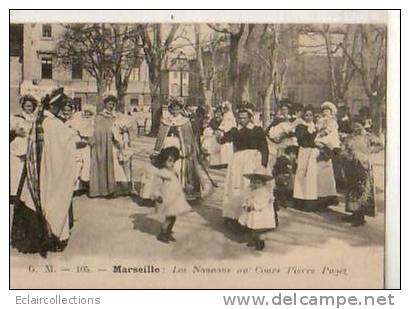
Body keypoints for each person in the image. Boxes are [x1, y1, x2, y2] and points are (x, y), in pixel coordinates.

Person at [11, 88, 81, 257]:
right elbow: (66, 146)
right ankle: (52, 237)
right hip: (49, 170)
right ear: (55, 107)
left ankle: (30, 237)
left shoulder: (40, 120)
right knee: (51, 199)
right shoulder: (55, 124)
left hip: (35, 170)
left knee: (32, 199)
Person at [152, 97, 214, 201]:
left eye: (177, 109)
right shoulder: (165, 121)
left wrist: (185, 150)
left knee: (178, 169)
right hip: (167, 149)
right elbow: (160, 137)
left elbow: (188, 139)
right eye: (173, 109)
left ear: (180, 109)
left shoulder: (185, 122)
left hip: (180, 151)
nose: (175, 111)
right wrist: (158, 149)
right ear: (170, 109)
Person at [219, 103, 269, 222]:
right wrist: (219, 134)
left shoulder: (257, 130)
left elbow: (264, 148)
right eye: (240, 118)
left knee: (249, 186)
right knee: (237, 186)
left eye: (244, 118)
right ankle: (235, 215)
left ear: (250, 117)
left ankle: (252, 218)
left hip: (252, 161)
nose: (242, 120)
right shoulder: (235, 130)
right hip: (238, 163)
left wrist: (263, 165)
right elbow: (223, 139)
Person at [340, 116, 383, 226]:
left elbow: (381, 145)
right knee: (352, 189)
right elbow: (343, 148)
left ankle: (360, 217)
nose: (356, 128)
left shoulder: (368, 137)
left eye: (358, 125)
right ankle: (353, 213)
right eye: (354, 126)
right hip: (351, 165)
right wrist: (346, 154)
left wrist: (370, 152)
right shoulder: (350, 137)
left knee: (362, 189)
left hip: (363, 166)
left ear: (363, 125)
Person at [149, 147, 192, 243]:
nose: (172, 164)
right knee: (169, 217)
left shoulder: (173, 171)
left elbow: (176, 183)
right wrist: (157, 195)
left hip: (175, 198)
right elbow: (156, 185)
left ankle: (168, 232)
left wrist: (184, 189)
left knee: (173, 217)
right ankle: (162, 233)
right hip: (166, 198)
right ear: (164, 161)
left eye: (173, 161)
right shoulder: (162, 173)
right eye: (169, 161)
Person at [89, 95, 128, 198]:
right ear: (105, 104)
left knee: (114, 166)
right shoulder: (99, 116)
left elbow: (121, 128)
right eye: (109, 104)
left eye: (113, 104)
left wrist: (122, 132)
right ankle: (100, 190)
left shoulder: (116, 116)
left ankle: (111, 189)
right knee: (101, 164)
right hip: (101, 144)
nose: (111, 106)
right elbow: (95, 130)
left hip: (112, 144)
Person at [238, 166, 276, 251]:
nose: (256, 185)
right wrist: (245, 204)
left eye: (258, 183)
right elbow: (245, 197)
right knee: (253, 227)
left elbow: (262, 202)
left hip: (261, 214)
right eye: (254, 182)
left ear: (263, 183)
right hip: (252, 213)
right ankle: (254, 239)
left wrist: (253, 205)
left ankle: (260, 242)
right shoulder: (249, 190)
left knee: (260, 229)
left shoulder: (264, 192)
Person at [10, 95, 37, 200]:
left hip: (30, 145)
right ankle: (13, 193)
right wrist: (15, 132)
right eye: (27, 106)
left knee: (27, 171)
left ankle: (24, 194)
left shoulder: (35, 118)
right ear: (23, 106)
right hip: (18, 146)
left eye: (30, 106)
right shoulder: (16, 117)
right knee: (16, 170)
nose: (29, 108)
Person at [293, 105, 319, 211]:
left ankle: (309, 202)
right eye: (306, 115)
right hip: (303, 151)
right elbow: (300, 139)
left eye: (311, 115)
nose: (308, 117)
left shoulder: (316, 127)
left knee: (311, 177)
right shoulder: (300, 127)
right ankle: (299, 200)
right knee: (301, 175)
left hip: (312, 153)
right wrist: (308, 132)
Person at [315, 102, 339, 208]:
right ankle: (319, 195)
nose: (325, 112)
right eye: (324, 110)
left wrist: (321, 134)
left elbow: (328, 131)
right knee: (318, 173)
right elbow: (317, 128)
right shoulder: (320, 120)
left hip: (327, 143)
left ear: (331, 112)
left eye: (327, 110)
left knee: (327, 171)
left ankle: (329, 196)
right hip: (319, 143)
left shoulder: (332, 122)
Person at [67, 104, 96, 189]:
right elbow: (77, 129)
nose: (87, 114)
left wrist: (89, 139)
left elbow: (92, 134)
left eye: (89, 113)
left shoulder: (92, 122)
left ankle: (84, 183)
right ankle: (75, 185)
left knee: (87, 164)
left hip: (87, 145)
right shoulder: (79, 121)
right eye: (86, 112)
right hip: (79, 143)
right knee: (78, 163)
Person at [267, 100, 297, 169]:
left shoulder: (292, 119)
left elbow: (294, 131)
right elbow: (269, 130)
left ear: (288, 110)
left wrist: (285, 135)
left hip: (288, 142)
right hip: (278, 143)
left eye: (285, 109)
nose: (284, 111)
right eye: (282, 109)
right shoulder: (277, 119)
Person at [273, 145, 298, 209]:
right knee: (282, 189)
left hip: (284, 176)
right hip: (282, 176)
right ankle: (281, 202)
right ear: (291, 153)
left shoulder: (286, 159)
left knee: (283, 189)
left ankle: (281, 201)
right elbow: (280, 169)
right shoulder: (284, 159)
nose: (295, 157)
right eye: (294, 155)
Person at [218, 101, 237, 166]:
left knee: (228, 147)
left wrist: (222, 129)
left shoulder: (229, 115)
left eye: (224, 108)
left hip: (229, 133)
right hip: (226, 132)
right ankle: (225, 162)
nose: (223, 110)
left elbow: (229, 125)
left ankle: (228, 162)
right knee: (225, 147)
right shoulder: (226, 115)